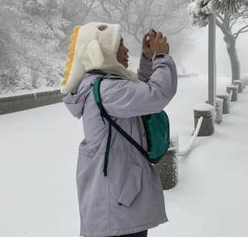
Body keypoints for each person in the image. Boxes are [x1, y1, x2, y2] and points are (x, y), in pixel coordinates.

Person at [61, 22, 178, 237]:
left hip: (117, 203)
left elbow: (137, 93)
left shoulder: (104, 85)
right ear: (105, 52)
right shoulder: (108, 89)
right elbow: (156, 95)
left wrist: (147, 59)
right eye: (120, 44)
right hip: (116, 211)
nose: (126, 50)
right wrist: (161, 58)